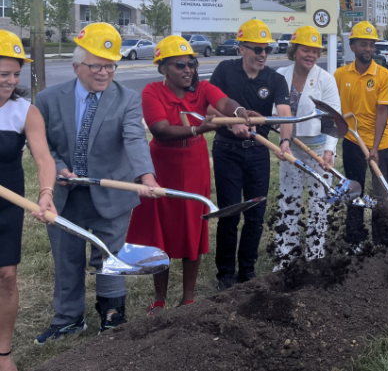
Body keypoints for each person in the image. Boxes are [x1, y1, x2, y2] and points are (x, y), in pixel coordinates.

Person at [34, 23, 159, 343]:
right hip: (65, 197)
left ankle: (112, 315)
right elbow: (41, 143)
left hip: (112, 193)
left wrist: (145, 175)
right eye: (97, 65)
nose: (104, 72)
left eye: (111, 65)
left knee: (111, 256)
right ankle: (68, 318)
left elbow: (134, 138)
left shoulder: (127, 99)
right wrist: (58, 168)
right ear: (77, 66)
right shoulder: (48, 99)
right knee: (67, 257)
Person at [126, 36, 248, 314]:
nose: (188, 70)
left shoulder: (202, 89)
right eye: (179, 65)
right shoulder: (151, 92)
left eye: (191, 64)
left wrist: (239, 111)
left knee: (193, 226)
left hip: (194, 165)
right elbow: (161, 130)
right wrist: (198, 129)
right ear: (163, 69)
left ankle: (189, 296)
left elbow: (223, 101)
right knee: (162, 231)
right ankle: (159, 298)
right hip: (162, 165)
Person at [208, 20, 292, 290]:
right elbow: (208, 110)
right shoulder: (224, 71)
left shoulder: (275, 79)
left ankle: (247, 271)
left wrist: (286, 141)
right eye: (256, 49)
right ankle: (225, 274)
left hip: (258, 151)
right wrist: (230, 121)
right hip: (227, 151)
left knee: (256, 212)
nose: (262, 55)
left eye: (266, 49)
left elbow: (284, 115)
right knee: (230, 212)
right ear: (242, 48)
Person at [0, 31, 58, 369]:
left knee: (6, 275)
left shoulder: (25, 111)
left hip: (7, 204)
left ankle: (3, 354)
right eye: (2, 73)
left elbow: (43, 159)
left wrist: (46, 193)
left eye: (15, 73)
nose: (9, 80)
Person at [275, 26, 341, 264]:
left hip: (317, 150)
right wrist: (281, 137)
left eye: (315, 51)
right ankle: (286, 255)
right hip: (290, 147)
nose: (311, 55)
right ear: (294, 51)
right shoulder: (281, 75)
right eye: (306, 50)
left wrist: (329, 152)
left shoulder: (325, 80)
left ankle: (315, 254)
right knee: (289, 199)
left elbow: (334, 118)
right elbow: (274, 113)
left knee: (319, 203)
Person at [334, 22, 388, 247]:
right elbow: (334, 111)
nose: (368, 49)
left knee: (380, 194)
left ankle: (381, 239)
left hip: (381, 144)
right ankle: (355, 239)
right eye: (363, 44)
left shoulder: (384, 76)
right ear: (352, 46)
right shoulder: (340, 75)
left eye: (371, 45)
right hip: (352, 142)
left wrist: (375, 148)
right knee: (354, 191)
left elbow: (382, 113)